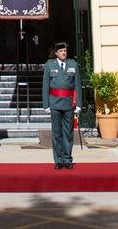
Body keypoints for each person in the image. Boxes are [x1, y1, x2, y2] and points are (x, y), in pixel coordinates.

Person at [41, 42, 81, 171]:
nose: (64, 53)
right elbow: (45, 85)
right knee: (57, 133)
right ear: (56, 53)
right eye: (61, 51)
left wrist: (79, 104)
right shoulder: (49, 65)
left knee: (68, 133)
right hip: (54, 103)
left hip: (69, 103)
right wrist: (46, 104)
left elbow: (77, 85)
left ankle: (67, 159)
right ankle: (58, 160)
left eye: (65, 51)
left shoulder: (73, 64)